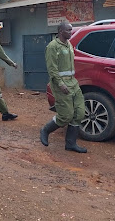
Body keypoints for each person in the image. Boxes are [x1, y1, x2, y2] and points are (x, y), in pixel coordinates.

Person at [40, 21, 87, 153]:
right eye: (68, 30)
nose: (71, 32)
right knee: (66, 115)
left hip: (73, 83)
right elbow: (52, 69)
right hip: (61, 85)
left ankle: (70, 144)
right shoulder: (53, 46)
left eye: (71, 30)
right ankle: (45, 130)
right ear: (61, 31)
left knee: (79, 113)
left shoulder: (69, 44)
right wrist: (60, 84)